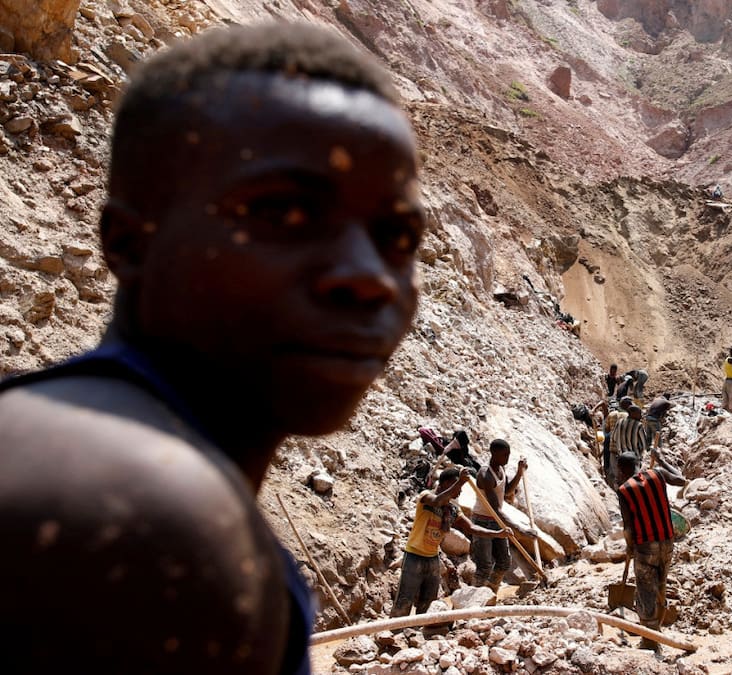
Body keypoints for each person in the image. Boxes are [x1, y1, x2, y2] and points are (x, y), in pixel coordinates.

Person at [0, 24, 424, 675]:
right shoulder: (151, 524)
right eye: (283, 211)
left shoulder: (59, 436)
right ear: (128, 241)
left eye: (398, 236)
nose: (368, 275)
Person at [391, 467, 511, 618]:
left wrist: (498, 533)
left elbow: (472, 528)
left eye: (460, 487)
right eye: (456, 486)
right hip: (414, 557)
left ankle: (418, 636)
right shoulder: (426, 497)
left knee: (428, 603)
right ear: (445, 484)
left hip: (433, 559)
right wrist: (460, 481)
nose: (459, 491)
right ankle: (394, 633)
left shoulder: (453, 510)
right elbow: (436, 501)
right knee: (404, 600)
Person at [616, 451, 687, 650]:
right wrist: (661, 459)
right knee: (661, 585)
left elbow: (628, 526)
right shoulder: (657, 474)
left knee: (646, 589)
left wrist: (629, 548)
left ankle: (650, 640)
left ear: (622, 470)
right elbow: (681, 479)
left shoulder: (624, 490)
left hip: (645, 546)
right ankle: (658, 630)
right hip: (667, 541)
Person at [471, 439, 527, 591]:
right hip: (482, 521)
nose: (507, 458)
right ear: (494, 454)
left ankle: (490, 592)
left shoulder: (500, 469)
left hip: (496, 520)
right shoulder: (485, 475)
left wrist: (519, 473)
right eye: (505, 455)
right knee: (485, 566)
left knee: (504, 562)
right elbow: (495, 508)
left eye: (508, 454)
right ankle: (475, 600)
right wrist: (519, 529)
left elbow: (507, 490)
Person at [608, 404, 648, 485]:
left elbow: (614, 438)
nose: (641, 416)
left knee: (622, 480)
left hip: (621, 457)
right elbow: (644, 444)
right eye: (639, 413)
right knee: (636, 481)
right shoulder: (639, 425)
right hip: (634, 459)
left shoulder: (619, 422)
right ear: (633, 413)